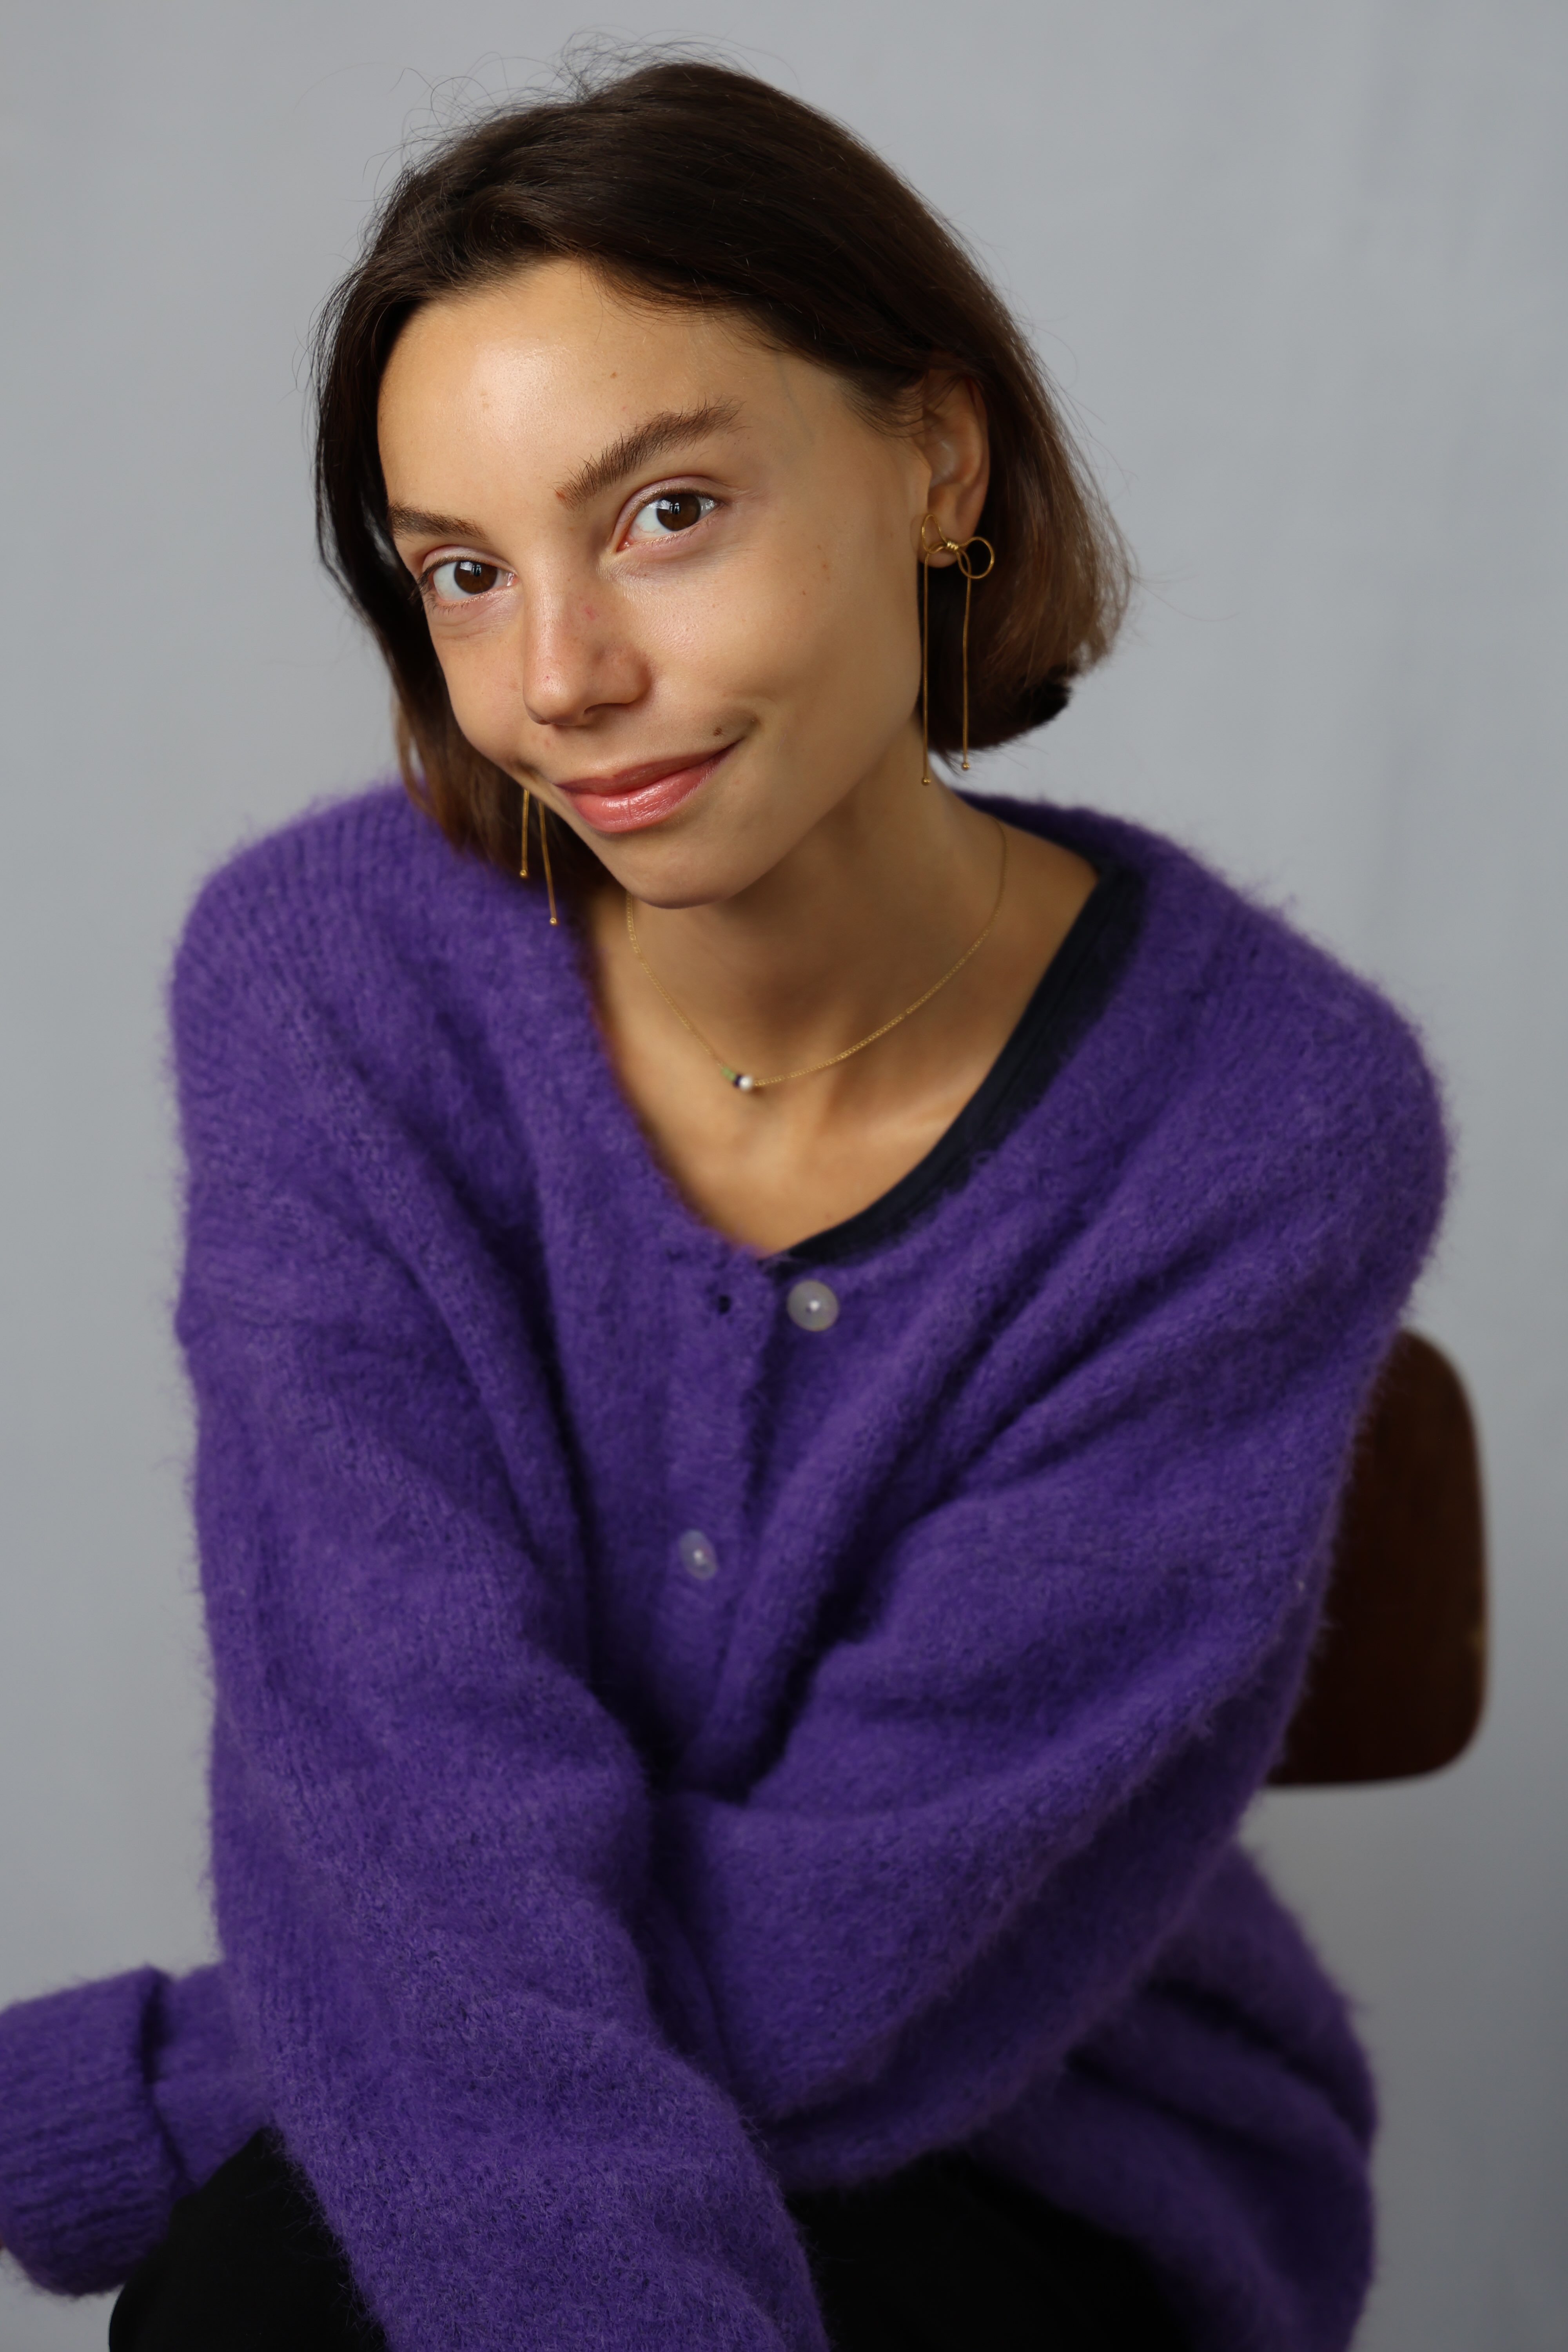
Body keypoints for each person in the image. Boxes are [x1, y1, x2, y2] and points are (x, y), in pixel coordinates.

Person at [0, 54, 1445, 2352]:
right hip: (457, 1993)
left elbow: (898, 1908)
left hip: (1055, 2113)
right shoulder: (326, 993)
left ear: (936, 466)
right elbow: (396, 1758)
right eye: (461, 574)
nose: (561, 681)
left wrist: (175, 2083)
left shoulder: (1272, 1119)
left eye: (665, 513)